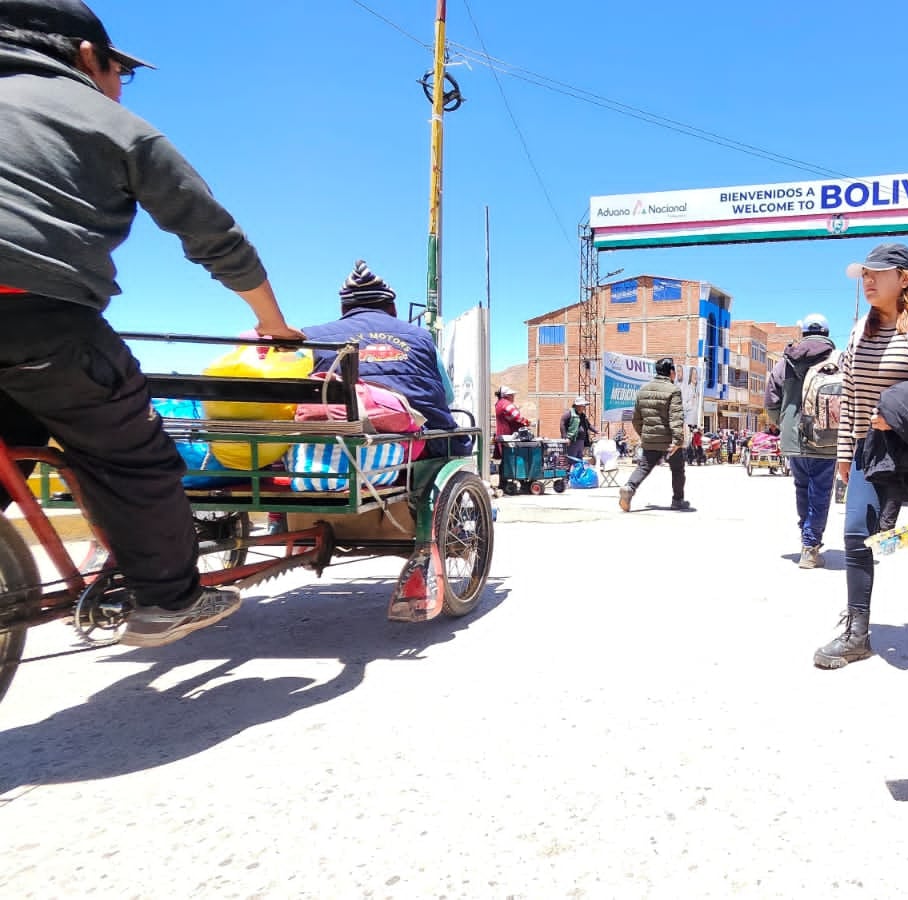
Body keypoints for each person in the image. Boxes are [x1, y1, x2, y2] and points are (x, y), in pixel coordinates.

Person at [0, 0, 303, 647]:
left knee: (17, 441)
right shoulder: (109, 123)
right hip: (40, 320)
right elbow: (214, 237)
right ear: (87, 57)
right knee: (134, 456)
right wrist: (273, 325)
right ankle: (167, 599)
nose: (118, 85)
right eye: (119, 71)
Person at [816, 242, 908, 669]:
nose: (867, 280)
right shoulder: (858, 330)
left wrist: (898, 410)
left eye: (875, 273)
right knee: (855, 532)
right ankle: (857, 632)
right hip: (870, 452)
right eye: (864, 274)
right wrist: (846, 453)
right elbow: (852, 396)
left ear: (903, 278)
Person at [303, 261, 467, 457]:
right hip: (420, 447)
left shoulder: (311, 337)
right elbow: (447, 396)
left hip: (332, 449)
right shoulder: (421, 337)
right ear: (392, 308)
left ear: (344, 309)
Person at [765, 312, 840, 569]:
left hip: (794, 439)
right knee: (820, 492)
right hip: (827, 437)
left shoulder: (784, 363)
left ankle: (806, 538)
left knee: (801, 488)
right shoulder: (839, 360)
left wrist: (785, 423)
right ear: (827, 335)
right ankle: (810, 545)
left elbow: (771, 402)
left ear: (803, 334)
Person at [619, 357, 691, 512]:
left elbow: (636, 419)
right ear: (671, 372)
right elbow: (676, 417)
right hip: (669, 442)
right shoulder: (673, 390)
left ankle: (629, 487)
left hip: (649, 439)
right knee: (678, 470)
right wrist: (678, 440)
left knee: (644, 466)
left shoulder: (643, 390)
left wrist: (644, 435)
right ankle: (678, 501)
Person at [559, 395, 597, 464]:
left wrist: (596, 431)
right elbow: (562, 423)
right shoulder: (569, 413)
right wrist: (565, 438)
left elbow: (588, 425)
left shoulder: (582, 415)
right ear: (577, 406)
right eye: (582, 405)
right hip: (572, 441)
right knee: (571, 459)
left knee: (579, 459)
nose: (584, 407)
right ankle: (570, 473)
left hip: (581, 442)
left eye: (584, 405)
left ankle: (576, 473)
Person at [493, 385, 530, 452]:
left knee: (505, 458)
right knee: (511, 457)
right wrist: (526, 421)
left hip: (502, 435)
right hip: (509, 437)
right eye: (512, 395)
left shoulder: (499, 403)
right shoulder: (506, 404)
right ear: (507, 396)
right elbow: (517, 416)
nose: (513, 397)